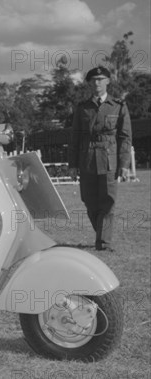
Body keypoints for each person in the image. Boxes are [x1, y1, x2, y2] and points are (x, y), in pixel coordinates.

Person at [68, 66, 132, 252]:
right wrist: (73, 164)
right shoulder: (82, 108)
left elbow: (125, 138)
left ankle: (103, 242)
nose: (97, 83)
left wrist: (124, 164)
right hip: (87, 159)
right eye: (93, 80)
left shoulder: (119, 106)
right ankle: (102, 234)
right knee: (89, 201)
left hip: (109, 159)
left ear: (107, 81)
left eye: (100, 79)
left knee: (107, 200)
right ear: (89, 83)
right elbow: (75, 137)